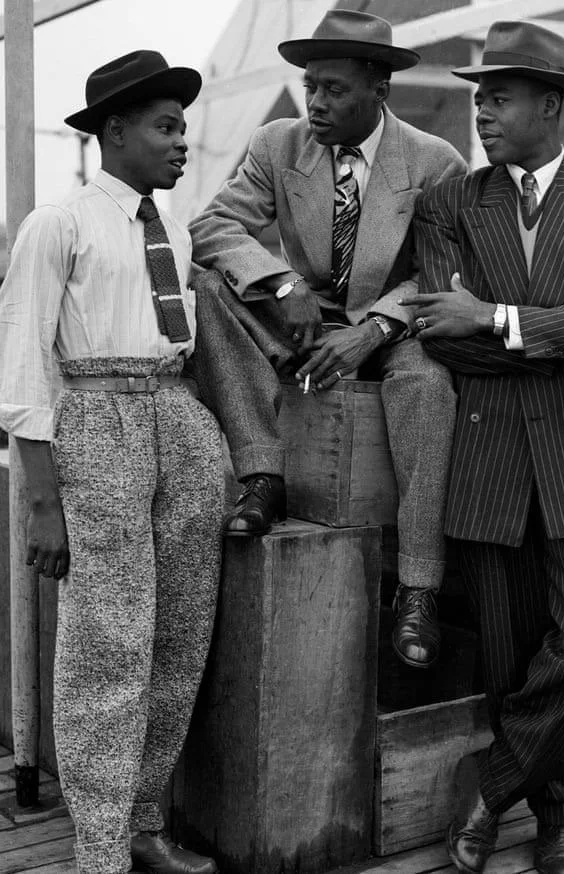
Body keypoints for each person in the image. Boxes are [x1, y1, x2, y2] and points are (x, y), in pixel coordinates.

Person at [401, 20, 564, 874]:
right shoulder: (449, 203)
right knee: (511, 658)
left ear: (552, 106)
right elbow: (443, 333)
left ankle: (492, 781)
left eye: (499, 97)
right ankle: (559, 820)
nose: (481, 111)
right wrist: (549, 333)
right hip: (492, 460)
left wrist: (499, 316)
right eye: (479, 97)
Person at [187, 9, 467, 668]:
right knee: (207, 285)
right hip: (303, 318)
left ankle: (419, 587)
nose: (315, 101)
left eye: (334, 89)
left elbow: (441, 272)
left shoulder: (435, 162)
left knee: (429, 378)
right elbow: (213, 227)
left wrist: (372, 331)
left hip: (396, 327)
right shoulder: (277, 145)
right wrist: (283, 283)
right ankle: (263, 475)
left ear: (380, 90)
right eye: (310, 85)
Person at [0, 51, 224, 874]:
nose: (180, 144)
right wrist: (42, 501)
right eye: (166, 128)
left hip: (177, 415)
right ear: (114, 131)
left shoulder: (176, 227)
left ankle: (142, 822)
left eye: (183, 130)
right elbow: (21, 364)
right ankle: (98, 848)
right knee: (107, 643)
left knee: (179, 635)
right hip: (96, 423)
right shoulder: (56, 225)